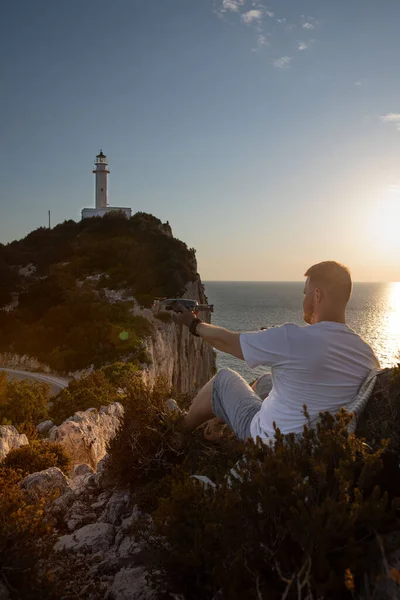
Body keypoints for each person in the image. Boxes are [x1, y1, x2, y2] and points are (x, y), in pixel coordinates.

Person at [175, 261, 380, 443]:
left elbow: (227, 341)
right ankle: (220, 420)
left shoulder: (292, 337)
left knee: (223, 380)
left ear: (317, 295)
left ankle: (180, 432)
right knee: (265, 381)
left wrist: (193, 324)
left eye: (305, 293)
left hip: (268, 442)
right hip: (317, 446)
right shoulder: (367, 354)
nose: (303, 299)